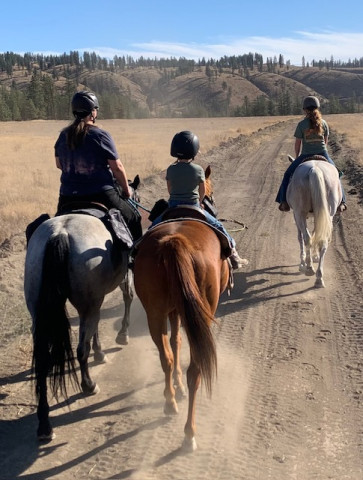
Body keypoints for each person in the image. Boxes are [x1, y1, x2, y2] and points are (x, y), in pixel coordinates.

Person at [151, 130, 248, 269]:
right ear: (194, 151)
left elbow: (170, 189)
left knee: (153, 227)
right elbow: (202, 190)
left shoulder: (170, 169)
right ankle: (234, 256)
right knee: (219, 227)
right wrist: (200, 201)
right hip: (194, 206)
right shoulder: (198, 170)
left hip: (173, 207)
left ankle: (136, 250)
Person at [54, 90, 142, 240]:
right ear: (93, 112)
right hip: (100, 194)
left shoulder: (64, 135)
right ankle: (134, 261)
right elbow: (117, 168)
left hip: (67, 196)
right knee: (134, 218)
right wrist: (127, 191)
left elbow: (59, 164)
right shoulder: (100, 135)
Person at [276, 95, 347, 213]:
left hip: (306, 155)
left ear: (305, 110)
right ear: (318, 108)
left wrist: (298, 156)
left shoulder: (301, 125)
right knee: (337, 174)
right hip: (323, 153)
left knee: (287, 174)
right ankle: (342, 202)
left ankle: (283, 202)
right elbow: (325, 141)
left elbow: (298, 144)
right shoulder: (324, 123)